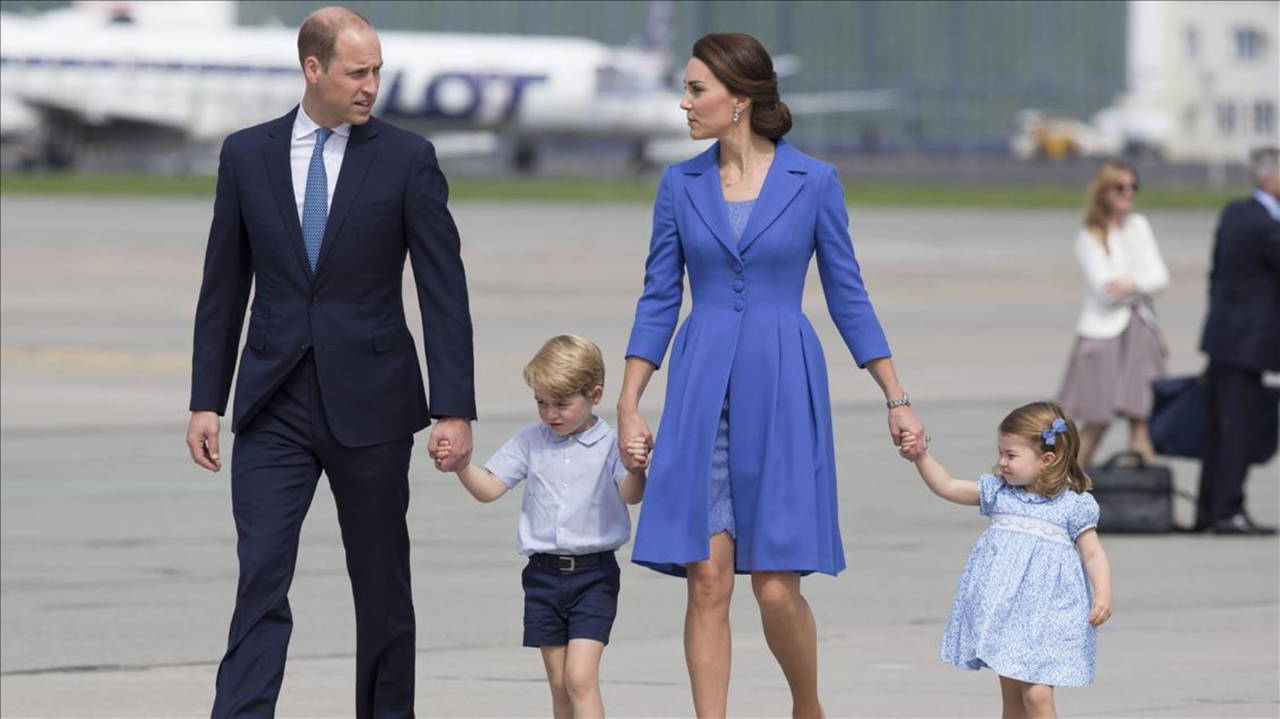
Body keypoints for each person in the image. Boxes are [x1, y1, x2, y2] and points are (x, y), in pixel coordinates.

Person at [615, 33, 924, 718]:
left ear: (740, 100)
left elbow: (849, 293)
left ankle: (806, 705)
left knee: (777, 586)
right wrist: (630, 402)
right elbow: (658, 295)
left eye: (697, 89)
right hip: (700, 388)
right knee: (707, 577)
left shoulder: (814, 182)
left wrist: (895, 396)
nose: (684, 101)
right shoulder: (679, 183)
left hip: (784, 385)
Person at [184, 8, 475, 717]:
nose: (372, 84)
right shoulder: (246, 154)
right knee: (260, 578)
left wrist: (455, 406)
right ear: (313, 69)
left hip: (372, 403)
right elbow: (223, 286)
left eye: (377, 70)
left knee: (381, 587)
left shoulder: (408, 158)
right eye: (358, 71)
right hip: (271, 402)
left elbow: (443, 291)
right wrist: (206, 399)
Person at [433, 335, 648, 719]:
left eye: (562, 404)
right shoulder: (530, 441)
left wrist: (636, 468)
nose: (550, 413)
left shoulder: (609, 445)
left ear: (596, 394)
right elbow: (491, 487)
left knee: (580, 678)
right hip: (543, 576)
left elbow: (631, 495)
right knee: (560, 683)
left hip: (593, 575)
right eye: (541, 402)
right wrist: (462, 466)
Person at [898, 401, 1112, 719]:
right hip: (1007, 615)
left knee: (1037, 694)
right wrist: (922, 457)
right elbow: (947, 485)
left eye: (1011, 455)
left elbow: (1093, 553)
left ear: (1047, 460)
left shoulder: (1072, 506)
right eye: (1001, 453)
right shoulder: (1000, 493)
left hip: (1047, 614)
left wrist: (1103, 594)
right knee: (1012, 698)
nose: (1002, 463)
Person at [1057, 159, 1169, 467]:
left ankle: (1148, 503)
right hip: (1102, 334)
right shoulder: (1089, 235)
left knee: (1141, 418)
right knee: (1097, 420)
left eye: (1134, 186)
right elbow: (1105, 293)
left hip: (1141, 329)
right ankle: (1064, 492)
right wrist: (1141, 282)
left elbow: (1160, 277)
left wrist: (1131, 282)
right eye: (1120, 187)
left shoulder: (1139, 226)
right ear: (1104, 191)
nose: (1128, 193)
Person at [1195, 146, 1280, 535]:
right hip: (1248, 344)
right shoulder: (1265, 224)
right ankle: (1228, 510)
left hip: (1224, 339)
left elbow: (1216, 277)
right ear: (1269, 178)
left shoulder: (1235, 212)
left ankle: (1209, 510)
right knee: (1237, 430)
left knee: (1221, 428)